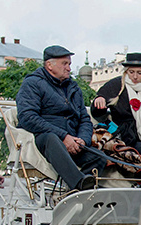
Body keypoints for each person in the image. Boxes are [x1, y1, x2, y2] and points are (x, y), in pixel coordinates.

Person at [16, 45, 106, 191]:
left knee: (99, 157)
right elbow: (27, 117)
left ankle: (76, 192)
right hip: (45, 139)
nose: (69, 68)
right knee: (52, 138)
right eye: (65, 64)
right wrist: (64, 136)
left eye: (69, 64)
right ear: (49, 65)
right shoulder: (32, 83)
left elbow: (84, 119)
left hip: (73, 138)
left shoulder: (74, 87)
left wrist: (82, 139)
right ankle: (79, 185)